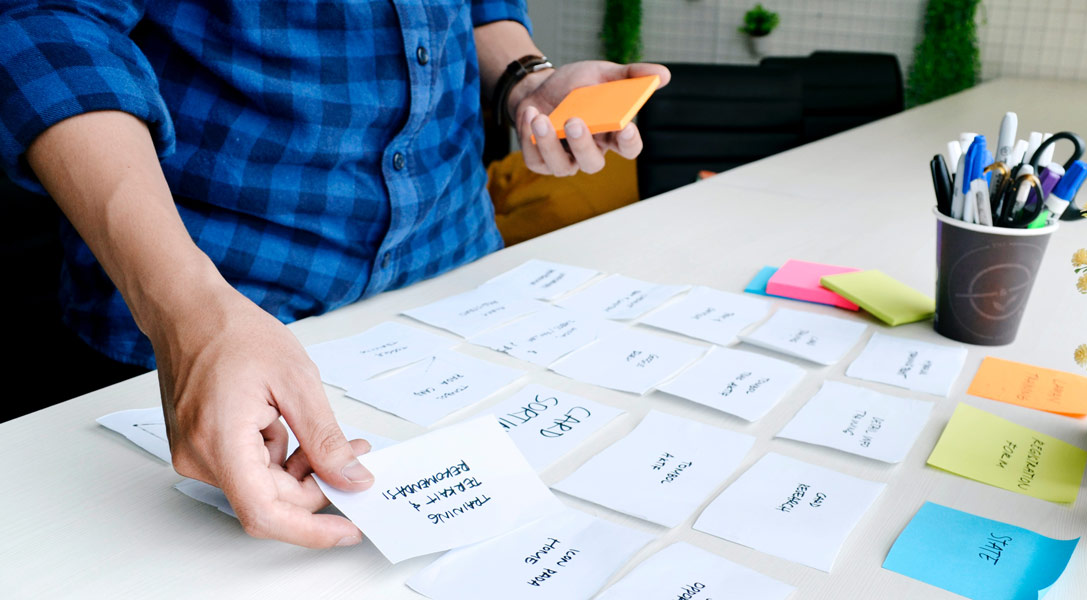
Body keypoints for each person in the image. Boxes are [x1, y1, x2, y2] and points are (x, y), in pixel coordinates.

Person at [0, 1, 668, 549]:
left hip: (454, 284)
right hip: (214, 319)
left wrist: (526, 79)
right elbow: (42, 23)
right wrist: (186, 308)